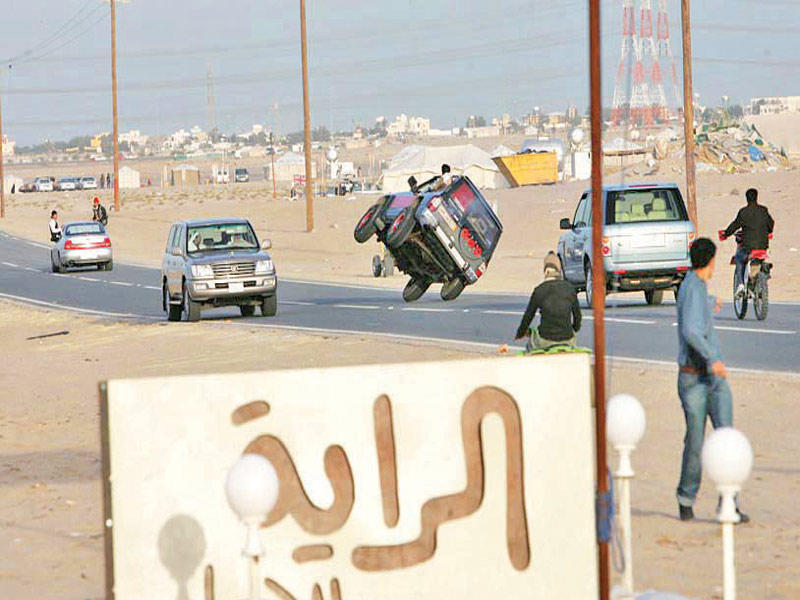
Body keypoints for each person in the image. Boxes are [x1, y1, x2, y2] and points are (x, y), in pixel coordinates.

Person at [675, 238, 748, 523]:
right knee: (696, 442)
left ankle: (729, 501)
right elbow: (691, 331)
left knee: (725, 437)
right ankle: (686, 498)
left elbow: (691, 307)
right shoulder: (693, 287)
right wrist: (712, 358)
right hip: (696, 379)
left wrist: (709, 301)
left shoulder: (692, 285)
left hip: (710, 381)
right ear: (710, 261)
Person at [514, 251, 581, 351]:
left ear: (545, 271)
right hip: (568, 339)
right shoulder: (569, 288)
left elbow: (528, 317)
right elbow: (578, 318)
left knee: (531, 346)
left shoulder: (539, 290)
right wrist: (572, 329)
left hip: (545, 339)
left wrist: (520, 333)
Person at [722, 188, 774, 297]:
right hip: (763, 246)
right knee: (759, 261)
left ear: (746, 199)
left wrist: (726, 233)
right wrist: (767, 231)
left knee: (739, 258)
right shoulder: (763, 210)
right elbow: (771, 224)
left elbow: (735, 225)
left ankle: (741, 284)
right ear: (757, 197)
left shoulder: (743, 212)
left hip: (748, 247)